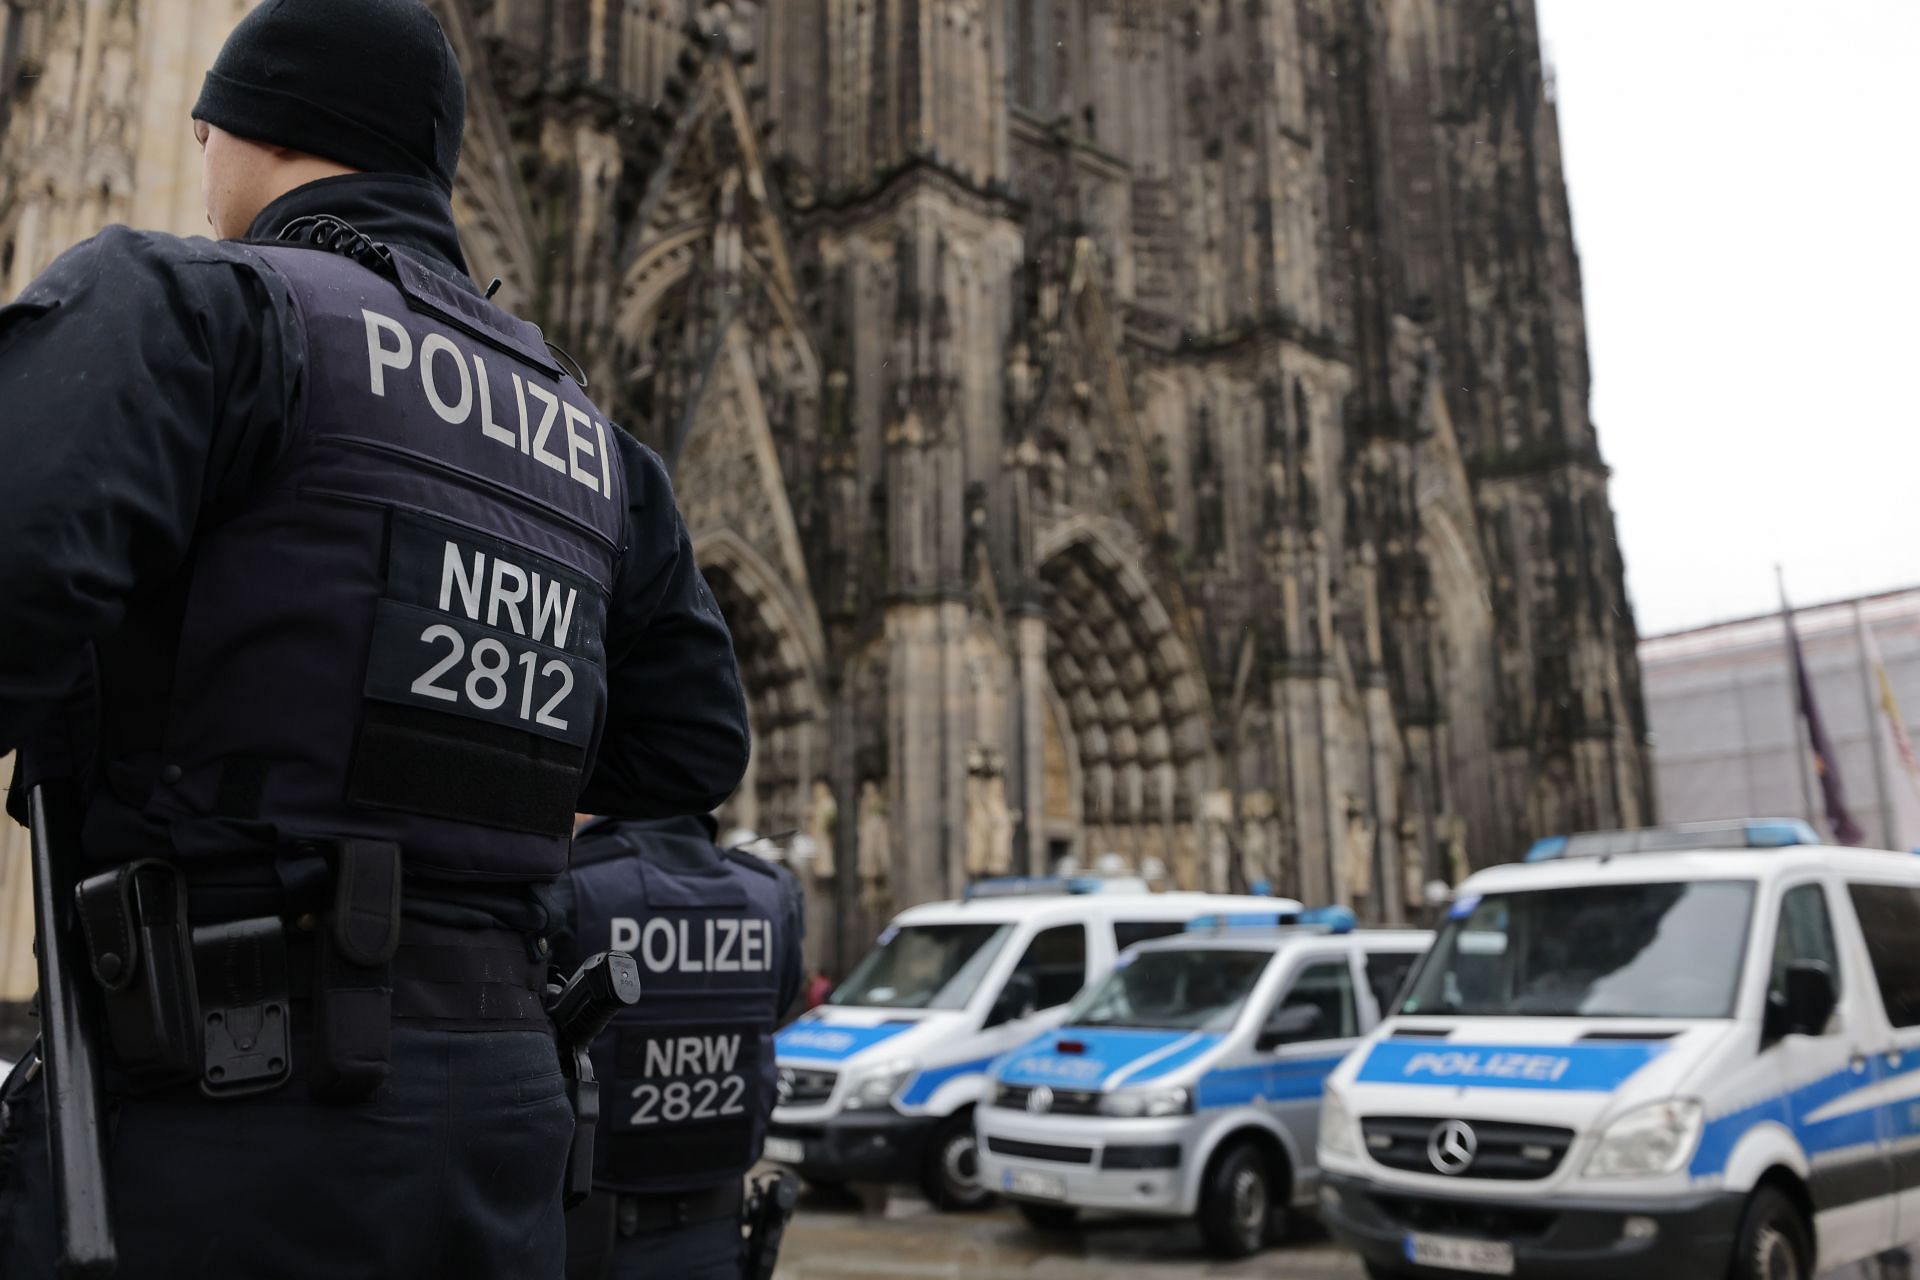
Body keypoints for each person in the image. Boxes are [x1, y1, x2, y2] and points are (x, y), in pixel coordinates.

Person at [0, 2, 749, 1277]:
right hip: (501, 1139)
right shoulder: (594, 446)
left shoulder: (198, 303)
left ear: (247, 130)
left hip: (217, 1125)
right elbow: (692, 742)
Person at [551, 814, 803, 1280]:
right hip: (721, 1237)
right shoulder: (774, 894)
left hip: (588, 1244)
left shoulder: (569, 881)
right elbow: (779, 1007)